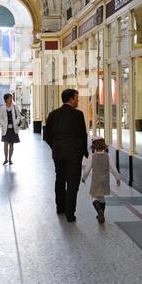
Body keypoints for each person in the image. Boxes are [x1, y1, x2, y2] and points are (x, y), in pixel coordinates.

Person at [44, 89, 89, 223]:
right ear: (71, 99)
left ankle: (60, 208)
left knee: (60, 179)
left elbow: (46, 136)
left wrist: (55, 146)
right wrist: (83, 151)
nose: (78, 100)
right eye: (77, 98)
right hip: (74, 153)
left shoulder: (53, 114)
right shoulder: (78, 115)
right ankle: (70, 214)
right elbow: (83, 134)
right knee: (72, 182)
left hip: (58, 153)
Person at [82, 138, 121, 224]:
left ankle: (99, 210)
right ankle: (101, 213)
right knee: (102, 198)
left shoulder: (92, 157)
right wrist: (117, 178)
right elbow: (113, 168)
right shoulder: (108, 156)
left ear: (94, 147)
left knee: (94, 197)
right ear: (104, 146)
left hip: (96, 181)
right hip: (105, 181)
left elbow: (87, 169)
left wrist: (84, 178)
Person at [0, 93, 21, 166]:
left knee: (11, 144)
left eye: (11, 98)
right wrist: (3, 124)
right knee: (5, 144)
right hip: (6, 129)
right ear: (6, 99)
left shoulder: (15, 107)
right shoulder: (2, 108)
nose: (11, 100)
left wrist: (16, 122)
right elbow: (0, 118)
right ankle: (5, 159)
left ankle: (10, 159)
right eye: (9, 98)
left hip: (13, 129)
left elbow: (18, 116)